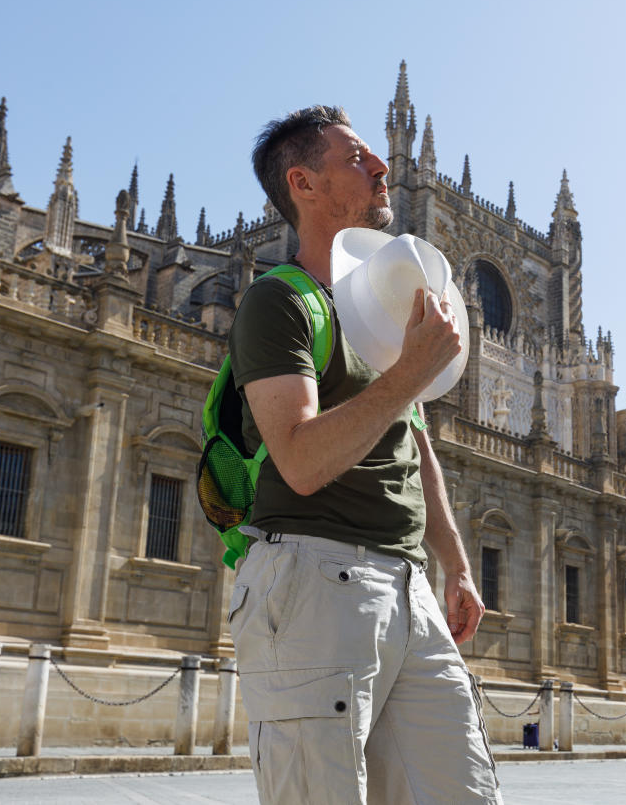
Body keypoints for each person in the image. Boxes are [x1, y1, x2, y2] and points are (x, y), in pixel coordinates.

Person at [227, 105, 501, 804]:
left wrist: (458, 565)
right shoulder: (277, 301)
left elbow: (413, 440)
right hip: (316, 577)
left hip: (409, 588)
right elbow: (299, 459)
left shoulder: (374, 310)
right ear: (303, 184)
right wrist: (410, 373)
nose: (381, 168)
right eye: (356, 159)